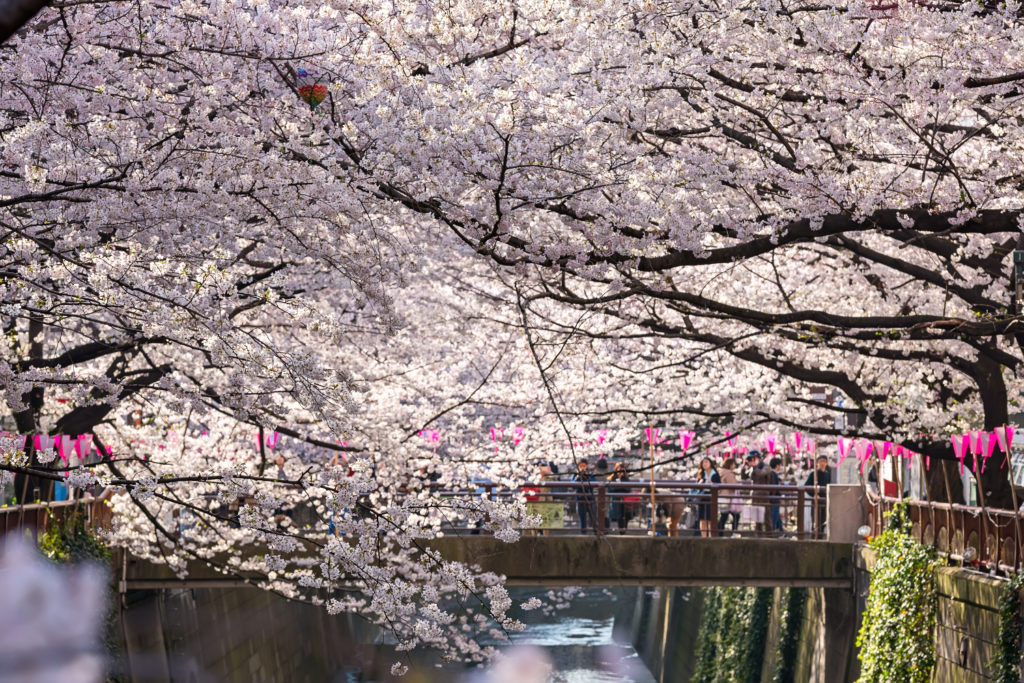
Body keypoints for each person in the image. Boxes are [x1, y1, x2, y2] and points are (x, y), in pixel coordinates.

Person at [804, 455, 831, 538]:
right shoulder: (813, 474)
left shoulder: (828, 474)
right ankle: (814, 537)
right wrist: (814, 494)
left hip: (825, 501)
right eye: (820, 461)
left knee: (823, 521)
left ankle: (821, 537)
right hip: (816, 501)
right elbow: (806, 486)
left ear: (826, 463)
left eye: (824, 461)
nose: (822, 463)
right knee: (816, 521)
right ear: (817, 463)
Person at [746, 451, 770, 535]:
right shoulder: (752, 467)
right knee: (756, 518)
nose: (751, 460)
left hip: (764, 495)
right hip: (755, 495)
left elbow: (761, 474)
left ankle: (769, 536)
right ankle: (758, 535)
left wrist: (755, 467)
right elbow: (744, 476)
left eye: (753, 458)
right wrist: (745, 466)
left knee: (766, 517)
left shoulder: (765, 466)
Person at [696, 457, 721, 537]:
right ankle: (703, 536)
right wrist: (700, 483)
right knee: (702, 519)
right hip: (702, 497)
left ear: (710, 463)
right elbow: (697, 486)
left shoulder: (715, 474)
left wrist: (711, 483)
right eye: (703, 463)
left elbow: (719, 485)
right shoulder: (701, 473)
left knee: (710, 518)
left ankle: (711, 536)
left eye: (706, 462)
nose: (705, 464)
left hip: (711, 496)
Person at [717, 457, 742, 535]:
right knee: (735, 516)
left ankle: (719, 533)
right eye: (733, 464)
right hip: (727, 497)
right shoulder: (728, 473)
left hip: (721, 496)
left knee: (723, 516)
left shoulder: (720, 472)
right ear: (730, 465)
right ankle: (733, 532)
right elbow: (733, 484)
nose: (734, 466)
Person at [607, 461, 633, 533]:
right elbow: (611, 489)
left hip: (625, 500)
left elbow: (628, 489)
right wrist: (621, 487)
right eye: (618, 469)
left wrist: (620, 486)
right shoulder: (613, 478)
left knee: (626, 515)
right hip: (616, 499)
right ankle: (621, 530)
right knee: (619, 516)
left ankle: (624, 529)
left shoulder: (626, 478)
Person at [572, 460, 596, 533]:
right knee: (582, 518)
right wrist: (578, 477)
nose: (582, 468)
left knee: (593, 517)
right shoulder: (575, 474)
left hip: (590, 498)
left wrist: (587, 477)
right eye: (581, 466)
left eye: (584, 466)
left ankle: (596, 533)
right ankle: (583, 533)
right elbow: (572, 484)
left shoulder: (590, 473)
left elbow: (594, 483)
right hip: (580, 498)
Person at [768, 457, 784, 535]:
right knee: (775, 516)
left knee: (777, 516)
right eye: (780, 465)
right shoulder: (773, 474)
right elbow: (774, 487)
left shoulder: (771, 473)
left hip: (773, 498)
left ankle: (781, 532)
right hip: (774, 498)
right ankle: (774, 531)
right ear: (777, 465)